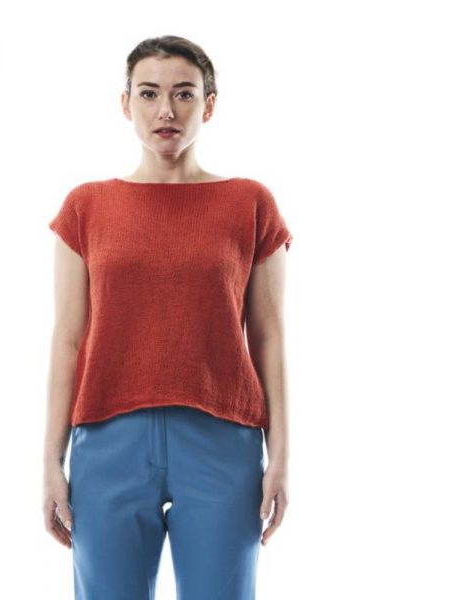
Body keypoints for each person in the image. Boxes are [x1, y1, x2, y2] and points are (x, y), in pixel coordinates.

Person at [42, 35, 293, 599]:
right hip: (107, 440)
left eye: (184, 93)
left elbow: (270, 338)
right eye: (149, 93)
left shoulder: (250, 203)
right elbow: (67, 340)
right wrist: (51, 462)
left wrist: (281, 455)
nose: (166, 111)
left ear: (209, 104)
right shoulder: (86, 207)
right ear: (125, 102)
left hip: (222, 441)